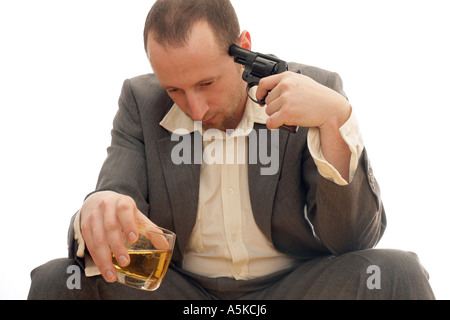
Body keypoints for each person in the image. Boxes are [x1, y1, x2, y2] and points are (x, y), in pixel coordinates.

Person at [28, 0, 435, 300]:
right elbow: (118, 195)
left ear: (243, 46)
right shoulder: (140, 99)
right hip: (180, 292)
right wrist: (98, 209)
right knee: (57, 281)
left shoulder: (314, 90)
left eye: (206, 83)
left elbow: (352, 240)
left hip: (292, 288)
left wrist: (335, 121)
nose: (196, 108)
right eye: (175, 89)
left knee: (398, 274)